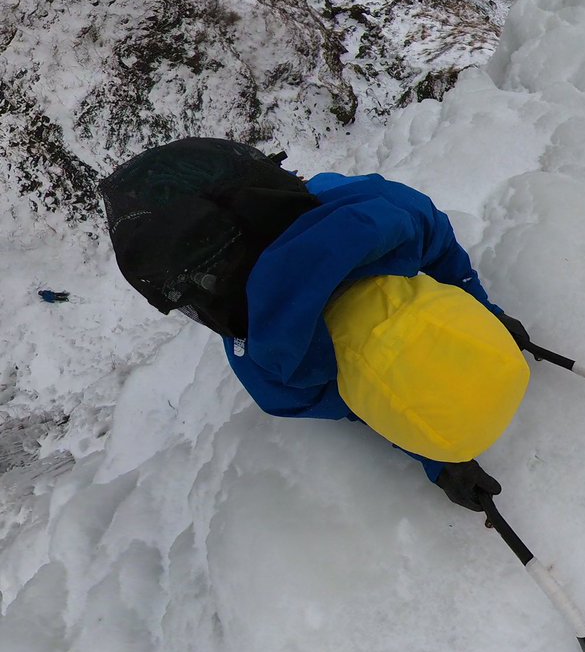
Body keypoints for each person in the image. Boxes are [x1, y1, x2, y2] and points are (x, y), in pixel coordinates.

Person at [101, 137, 531, 511]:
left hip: (285, 215)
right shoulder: (276, 377)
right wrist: (437, 452)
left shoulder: (390, 216)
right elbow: (371, 402)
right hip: (228, 226)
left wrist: (485, 315)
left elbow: (369, 402)